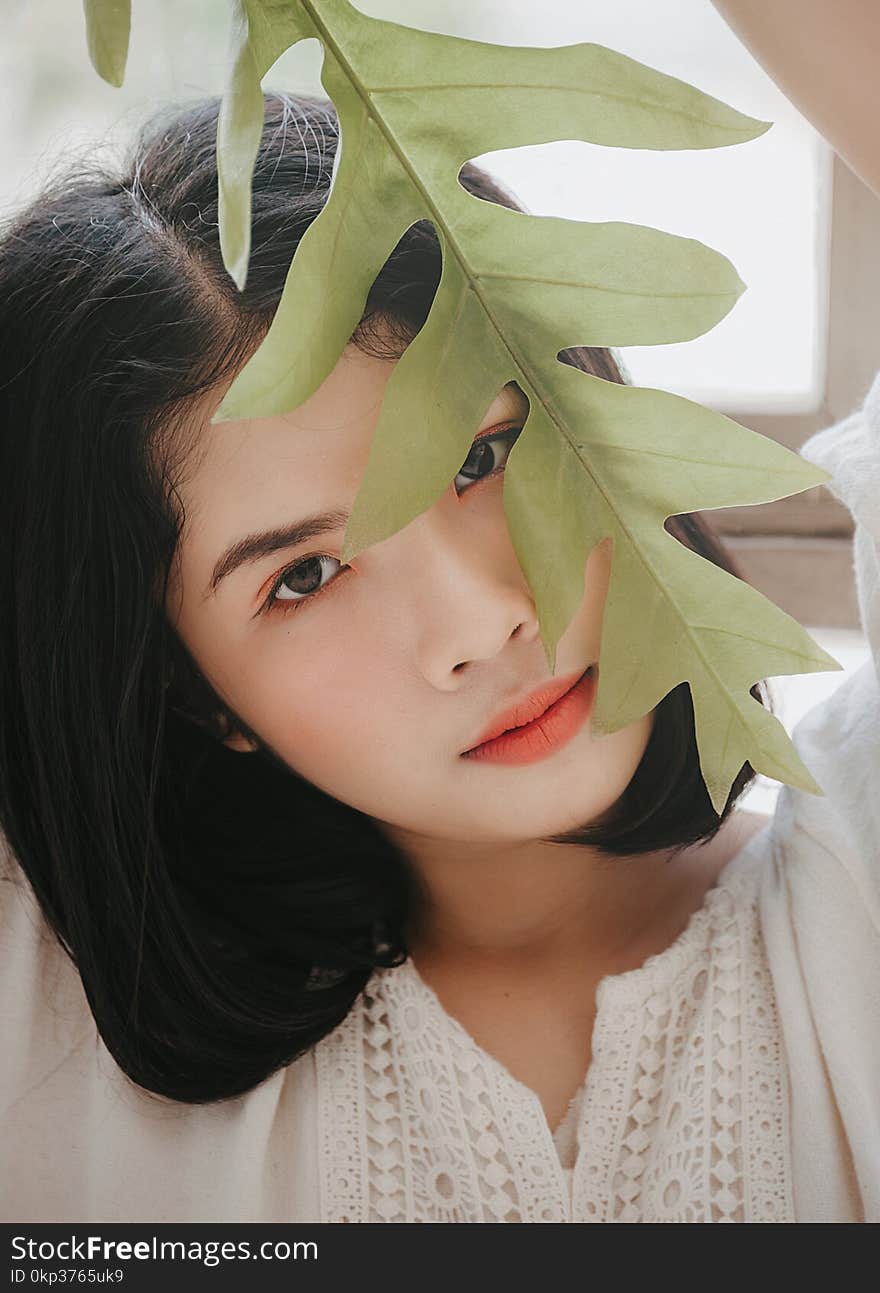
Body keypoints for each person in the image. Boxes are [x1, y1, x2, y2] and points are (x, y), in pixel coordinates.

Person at [0, 8, 877, 1222]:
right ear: (192, 693)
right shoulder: (54, 1051)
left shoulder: (857, 902)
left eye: (483, 456)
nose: (484, 621)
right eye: (302, 576)